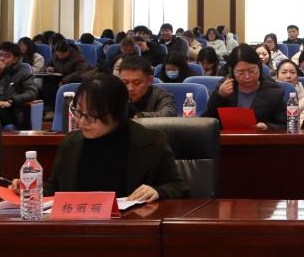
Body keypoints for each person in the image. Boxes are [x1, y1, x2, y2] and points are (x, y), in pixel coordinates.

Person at [10, 73, 188, 201]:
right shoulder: (71, 143)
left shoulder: (151, 141)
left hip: (130, 228)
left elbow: (178, 187)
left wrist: (158, 191)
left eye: (91, 116)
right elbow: (55, 188)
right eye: (79, 112)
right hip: (77, 228)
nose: (82, 121)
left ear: (117, 113)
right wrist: (30, 188)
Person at [203, 44, 288, 130]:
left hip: (260, 137)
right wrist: (219, 96)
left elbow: (285, 125)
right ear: (232, 72)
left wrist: (268, 127)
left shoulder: (273, 91)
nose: (247, 76)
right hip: (228, 137)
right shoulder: (223, 87)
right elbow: (207, 120)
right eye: (241, 72)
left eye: (251, 71)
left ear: (259, 67)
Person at [0, 41, 38, 128]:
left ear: (15, 59)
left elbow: (31, 93)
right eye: (0, 55)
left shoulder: (23, 72)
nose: (2, 58)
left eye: (7, 56)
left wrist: (11, 101)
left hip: (9, 108)